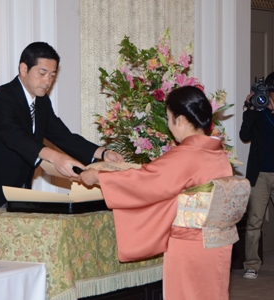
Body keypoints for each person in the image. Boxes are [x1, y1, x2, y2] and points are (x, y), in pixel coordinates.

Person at [79, 86, 235, 299]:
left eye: (169, 119)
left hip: (191, 245)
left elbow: (146, 182)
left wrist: (99, 177)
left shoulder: (187, 155)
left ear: (180, 120)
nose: (170, 126)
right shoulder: (217, 153)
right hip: (217, 243)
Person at [0, 42, 123, 211]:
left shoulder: (42, 102)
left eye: (52, 75)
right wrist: (56, 158)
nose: (47, 81)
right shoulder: (2, 97)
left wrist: (103, 153)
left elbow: (63, 136)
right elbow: (16, 137)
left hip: (18, 193)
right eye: (42, 73)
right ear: (24, 69)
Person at [240, 72, 274, 279]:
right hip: (259, 174)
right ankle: (251, 265)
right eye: (269, 92)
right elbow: (245, 136)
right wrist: (251, 109)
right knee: (254, 221)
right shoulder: (257, 111)